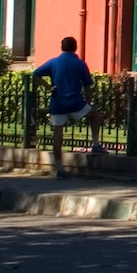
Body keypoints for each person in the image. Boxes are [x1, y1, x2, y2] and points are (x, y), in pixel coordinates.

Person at [33, 36, 103, 177]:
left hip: (58, 103)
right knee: (95, 115)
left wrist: (48, 87)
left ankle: (59, 168)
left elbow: (36, 74)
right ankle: (95, 144)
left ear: (61, 47)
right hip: (76, 102)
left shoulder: (54, 62)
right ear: (75, 48)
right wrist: (88, 103)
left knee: (57, 135)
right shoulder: (80, 64)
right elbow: (87, 86)